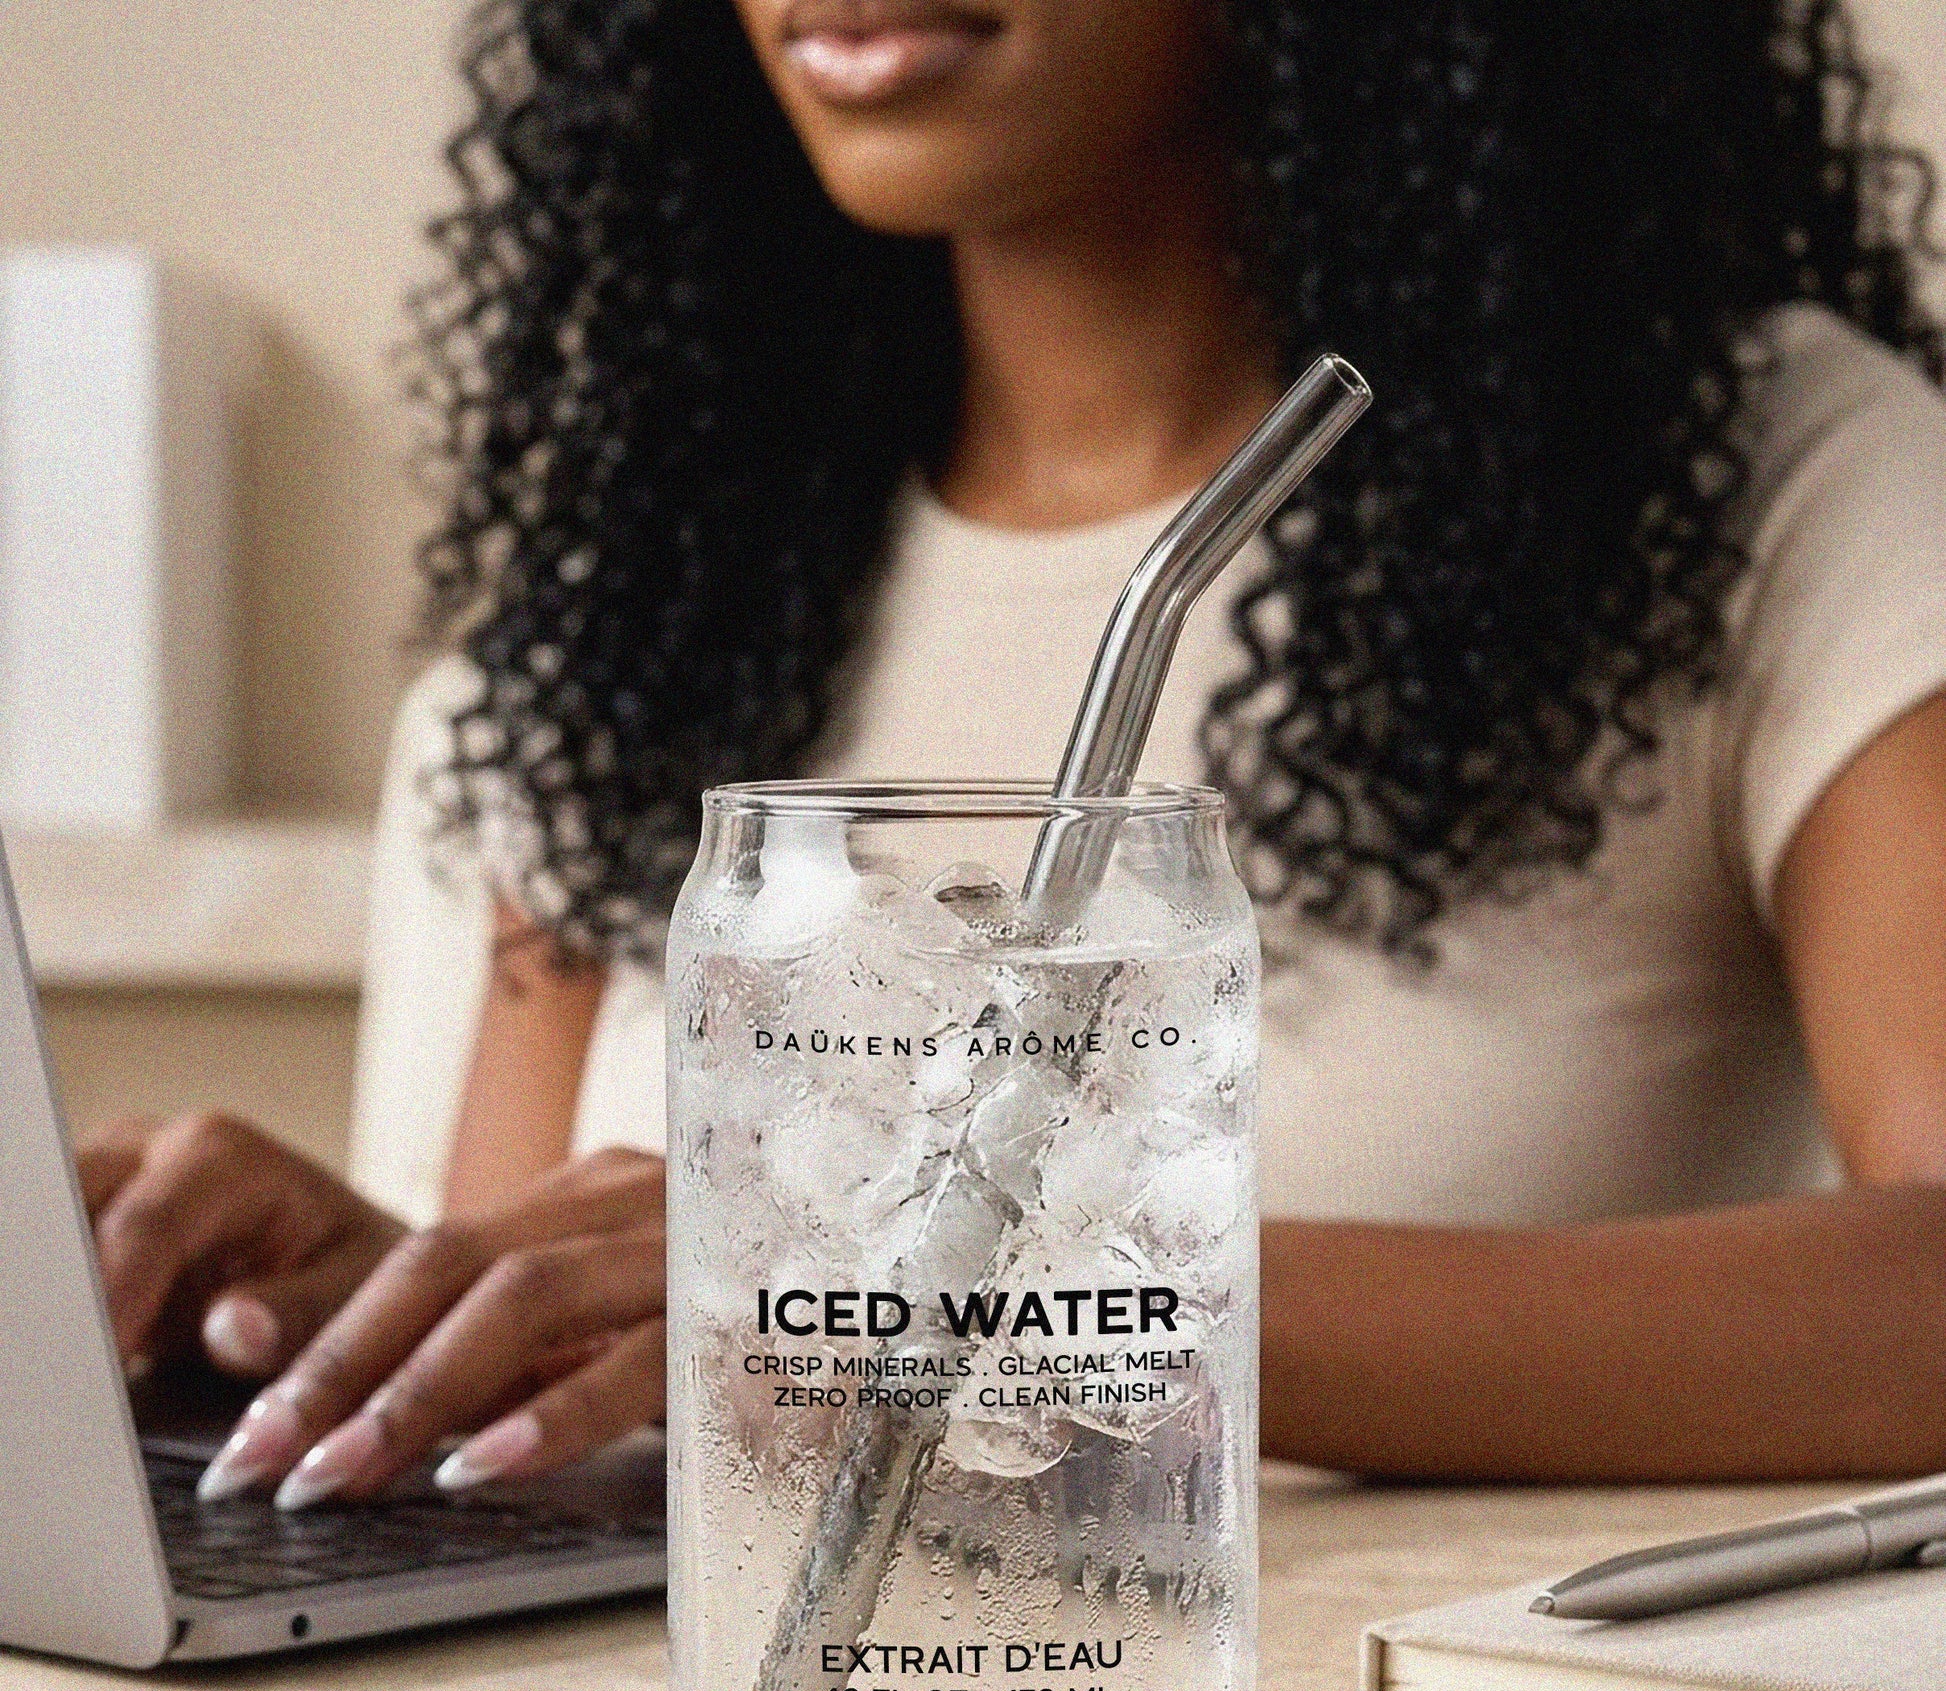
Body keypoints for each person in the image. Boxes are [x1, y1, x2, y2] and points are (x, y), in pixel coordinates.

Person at [84, 0, 1946, 1508]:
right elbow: (633, 1378)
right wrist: (350, 1314)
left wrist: (1022, 1298)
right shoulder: (627, 612)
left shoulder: (1776, 490)